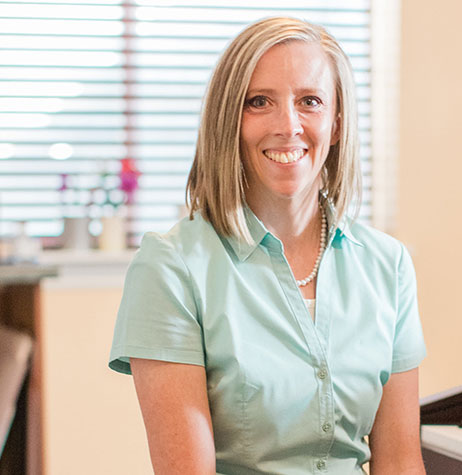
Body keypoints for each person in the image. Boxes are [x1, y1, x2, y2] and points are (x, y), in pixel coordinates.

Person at [109, 17, 427, 474]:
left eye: (310, 101)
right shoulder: (171, 266)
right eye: (259, 102)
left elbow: (399, 461)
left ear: (336, 125)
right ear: (230, 120)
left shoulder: (388, 264)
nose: (288, 125)